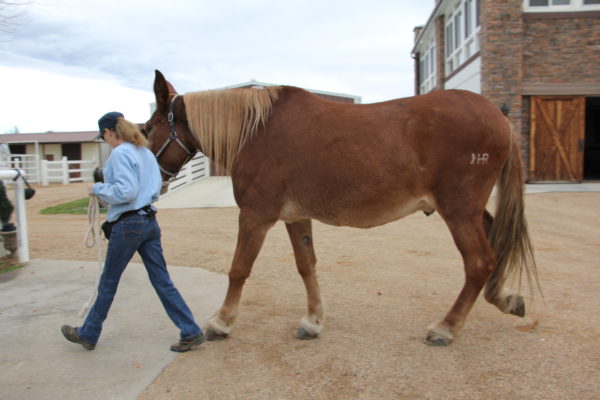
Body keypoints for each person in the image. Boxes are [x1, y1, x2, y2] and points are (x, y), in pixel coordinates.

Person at [61, 111, 204, 352]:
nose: (104, 140)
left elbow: (125, 191)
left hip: (128, 225)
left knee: (108, 281)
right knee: (162, 280)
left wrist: (97, 188)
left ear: (108, 132)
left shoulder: (119, 154)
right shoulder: (145, 153)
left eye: (103, 136)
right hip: (149, 221)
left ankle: (88, 333)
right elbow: (156, 188)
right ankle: (189, 329)